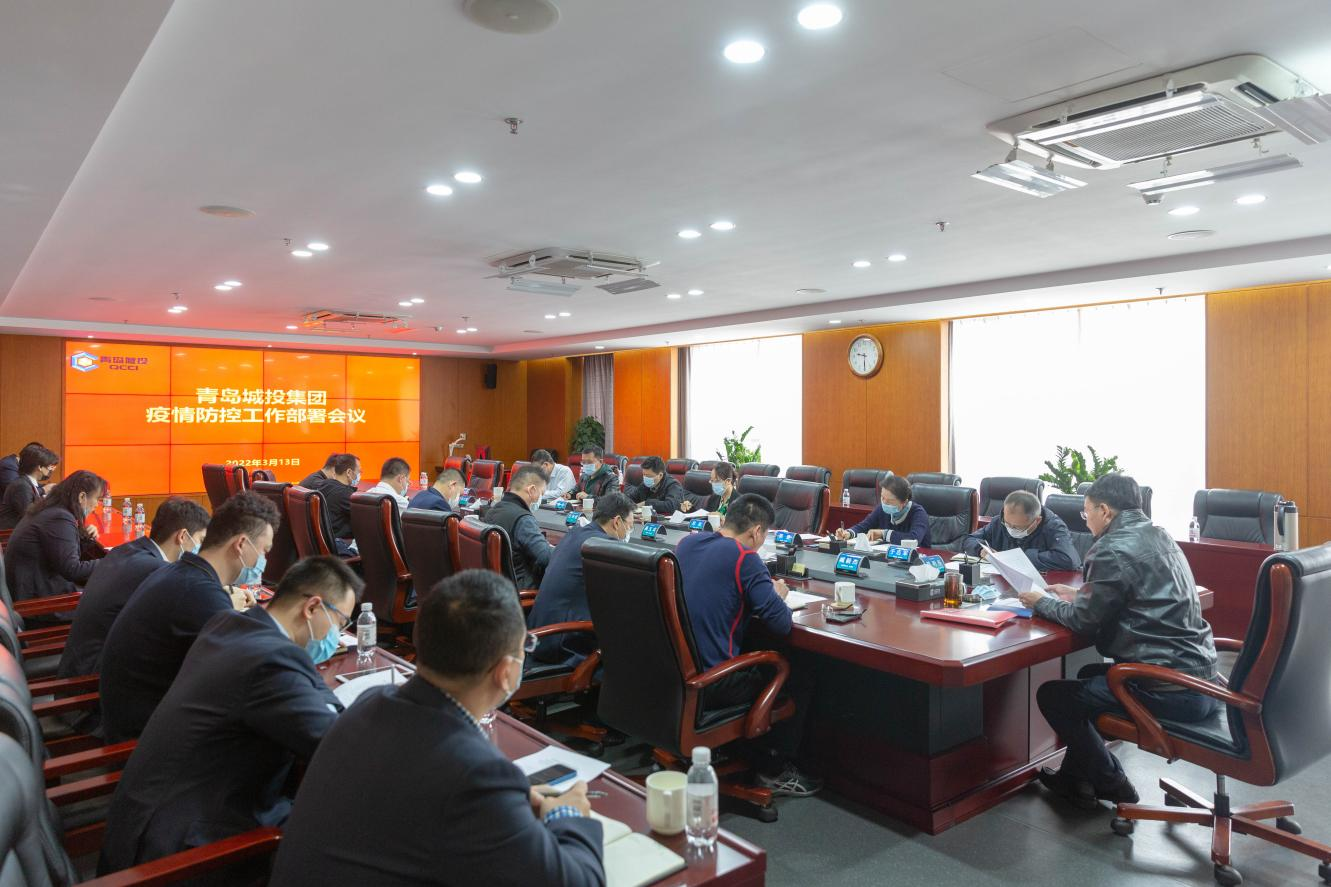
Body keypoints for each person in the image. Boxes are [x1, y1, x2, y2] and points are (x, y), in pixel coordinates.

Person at [268, 569, 604, 887]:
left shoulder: (370, 703)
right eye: (524, 648)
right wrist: (569, 814)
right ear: (506, 671)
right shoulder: (474, 774)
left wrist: (505, 802)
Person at [98, 556, 362, 877]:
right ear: (312, 607)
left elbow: (309, 686)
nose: (338, 633)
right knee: (350, 833)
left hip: (151, 818)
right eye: (340, 623)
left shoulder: (231, 624)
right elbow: (335, 746)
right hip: (182, 852)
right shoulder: (270, 661)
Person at [1018, 474, 1218, 810]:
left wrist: (1041, 602)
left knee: (1053, 696)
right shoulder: (1160, 535)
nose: (1087, 521)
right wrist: (1082, 594)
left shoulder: (1111, 547)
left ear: (1105, 511)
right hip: (1201, 679)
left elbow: (1084, 621)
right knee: (1088, 675)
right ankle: (1075, 779)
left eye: (1086, 513)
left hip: (1166, 689)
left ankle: (1114, 783)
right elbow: (1138, 594)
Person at [98, 490, 280, 742]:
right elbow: (244, 678)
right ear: (240, 544)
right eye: (264, 551)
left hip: (140, 717)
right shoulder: (200, 594)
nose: (264, 560)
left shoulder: (181, 574)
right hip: (142, 740)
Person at [675, 493, 821, 796]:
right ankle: (772, 769)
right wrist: (777, 594)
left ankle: (733, 749)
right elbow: (781, 623)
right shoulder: (745, 558)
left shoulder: (687, 544)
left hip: (672, 671)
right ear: (756, 532)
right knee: (798, 672)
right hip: (711, 682)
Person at [58, 497, 211, 680]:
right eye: (201, 540)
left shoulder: (127, 550)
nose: (202, 548)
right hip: (91, 679)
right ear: (183, 536)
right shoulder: (155, 570)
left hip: (78, 663)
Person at [528, 492, 635, 667]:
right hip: (562, 645)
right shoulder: (603, 546)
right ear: (617, 522)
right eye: (630, 526)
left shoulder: (575, 533)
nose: (629, 531)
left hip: (539, 634)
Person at [4, 469, 106, 603]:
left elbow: (59, 551)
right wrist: (109, 561)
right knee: (109, 597)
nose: (97, 505)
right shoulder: (59, 517)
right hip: (38, 600)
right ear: (82, 497)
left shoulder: (51, 509)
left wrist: (85, 538)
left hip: (33, 586)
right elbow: (72, 570)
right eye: (97, 499)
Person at [962, 490, 1081, 572]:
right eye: (1007, 524)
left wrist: (1020, 557)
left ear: (1037, 521)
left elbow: (1069, 560)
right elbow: (969, 540)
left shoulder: (1053, 527)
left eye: (1017, 527)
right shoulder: (1000, 521)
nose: (1010, 529)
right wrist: (981, 550)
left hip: (1043, 586)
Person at [482, 464, 552, 590]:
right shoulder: (523, 519)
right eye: (541, 493)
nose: (540, 498)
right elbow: (545, 557)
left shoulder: (493, 510)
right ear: (532, 490)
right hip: (520, 589)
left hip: (495, 585)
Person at [833, 474, 930, 547]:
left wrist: (884, 534)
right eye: (882, 497)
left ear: (904, 502)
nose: (884, 503)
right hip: (889, 558)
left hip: (918, 560)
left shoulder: (918, 513)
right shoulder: (881, 508)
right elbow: (864, 526)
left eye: (890, 501)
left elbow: (914, 539)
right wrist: (848, 533)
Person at [305, 452, 359, 550]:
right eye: (359, 471)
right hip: (338, 546)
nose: (359, 475)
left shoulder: (323, 486)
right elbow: (367, 516)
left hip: (322, 545)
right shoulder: (344, 494)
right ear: (349, 472)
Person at [0, 444, 59, 530]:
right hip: (10, 535)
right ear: (40, 467)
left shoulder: (28, 483)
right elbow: (30, 516)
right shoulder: (21, 486)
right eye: (49, 467)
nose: (51, 470)